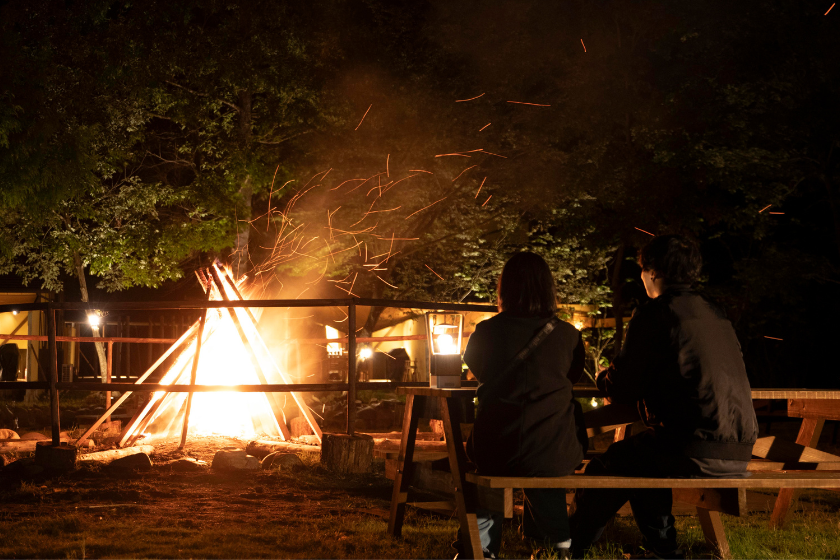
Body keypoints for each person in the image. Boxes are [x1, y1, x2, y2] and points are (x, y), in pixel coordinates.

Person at [569, 234, 758, 559]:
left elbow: (623, 387)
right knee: (641, 458)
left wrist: (603, 377)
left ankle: (568, 549)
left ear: (653, 272)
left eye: (642, 270)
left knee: (611, 465)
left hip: (692, 447)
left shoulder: (656, 315)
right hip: (741, 448)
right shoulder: (716, 315)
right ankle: (662, 549)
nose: (642, 277)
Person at [456, 252, 587, 559]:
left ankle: (481, 548)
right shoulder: (568, 335)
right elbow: (572, 376)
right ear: (547, 289)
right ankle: (558, 545)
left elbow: (477, 369)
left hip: (498, 445)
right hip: (555, 448)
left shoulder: (488, 332)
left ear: (505, 289)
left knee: (489, 471)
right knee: (545, 464)